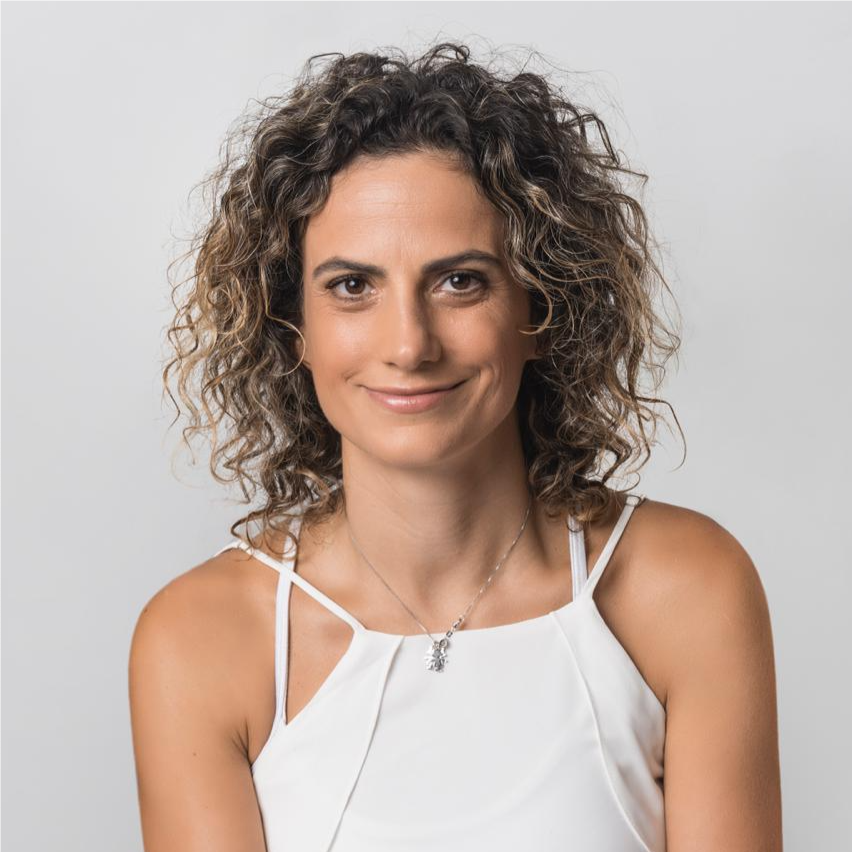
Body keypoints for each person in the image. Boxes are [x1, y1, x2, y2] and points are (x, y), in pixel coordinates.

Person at [129, 41, 782, 852]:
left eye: (459, 281)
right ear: (294, 328)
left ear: (541, 308)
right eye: (352, 286)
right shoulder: (199, 639)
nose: (409, 344)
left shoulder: (682, 591)